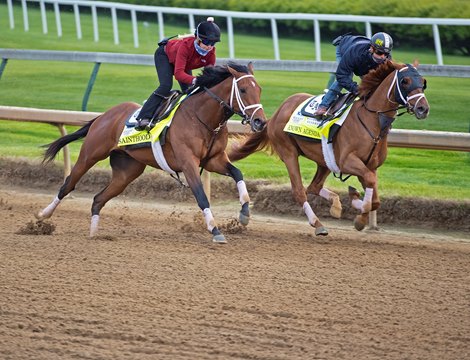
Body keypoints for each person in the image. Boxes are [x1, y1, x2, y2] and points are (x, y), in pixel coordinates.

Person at [135, 17, 221, 130]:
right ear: (198, 38)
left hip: (183, 64)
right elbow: (179, 74)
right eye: (206, 42)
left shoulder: (211, 54)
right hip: (164, 55)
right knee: (165, 86)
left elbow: (209, 76)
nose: (209, 46)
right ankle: (143, 117)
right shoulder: (185, 46)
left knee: (192, 91)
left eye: (213, 43)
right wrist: (195, 80)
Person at [313, 32, 393, 117]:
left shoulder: (386, 59)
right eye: (379, 53)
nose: (383, 57)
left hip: (362, 59)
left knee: (373, 81)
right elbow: (341, 76)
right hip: (345, 49)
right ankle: (322, 107)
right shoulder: (355, 52)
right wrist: (357, 89)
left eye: (386, 54)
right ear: (372, 48)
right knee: (347, 77)